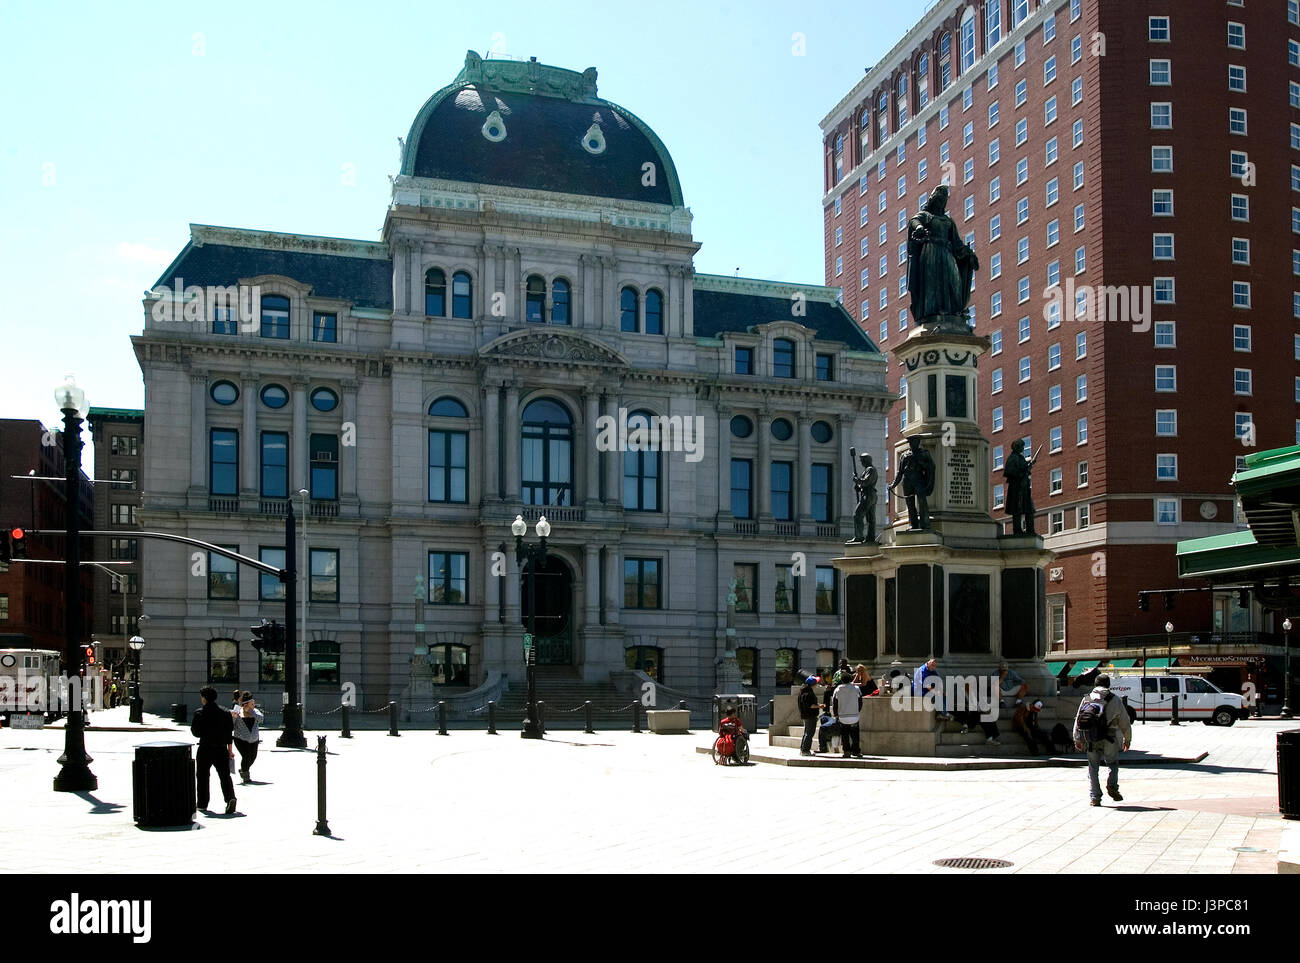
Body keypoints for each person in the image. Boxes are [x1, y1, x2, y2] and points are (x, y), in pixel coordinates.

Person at [1072, 674, 1132, 806]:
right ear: (1108, 685)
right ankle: (1112, 786)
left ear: (1095, 684)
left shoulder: (1087, 698)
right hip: (1110, 738)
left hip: (1091, 738)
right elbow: (1125, 722)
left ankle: (1095, 797)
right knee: (1112, 764)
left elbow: (1078, 718)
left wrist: (1077, 738)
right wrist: (1127, 739)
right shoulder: (1115, 699)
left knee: (1093, 767)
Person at [192, 686, 237, 814]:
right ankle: (230, 798)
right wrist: (230, 749)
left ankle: (202, 803)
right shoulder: (225, 712)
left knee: (202, 776)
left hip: (205, 747)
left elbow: (195, 732)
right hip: (221, 748)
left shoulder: (200, 712)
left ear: (204, 698)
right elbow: (229, 732)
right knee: (225, 776)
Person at [231, 690, 264, 783]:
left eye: (253, 703)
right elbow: (231, 725)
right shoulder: (237, 710)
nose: (253, 705)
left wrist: (251, 711)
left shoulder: (255, 711)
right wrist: (233, 717)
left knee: (253, 757)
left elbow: (261, 719)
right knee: (246, 756)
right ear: (245, 704)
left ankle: (243, 769)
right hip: (240, 738)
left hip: (254, 739)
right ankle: (246, 776)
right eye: (251, 703)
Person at [832, 672, 863, 758]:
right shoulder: (856, 688)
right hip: (854, 716)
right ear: (850, 679)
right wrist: (857, 710)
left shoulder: (837, 690)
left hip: (843, 716)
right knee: (855, 736)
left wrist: (836, 715)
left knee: (845, 735)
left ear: (841, 680)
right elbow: (860, 701)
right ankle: (856, 751)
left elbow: (835, 703)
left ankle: (846, 751)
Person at [797, 676, 821, 757]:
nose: (817, 684)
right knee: (809, 733)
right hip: (810, 716)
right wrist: (820, 706)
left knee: (806, 733)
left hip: (805, 715)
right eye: (816, 683)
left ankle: (803, 749)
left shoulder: (803, 692)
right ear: (812, 684)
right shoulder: (809, 693)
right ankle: (805, 750)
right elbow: (811, 705)